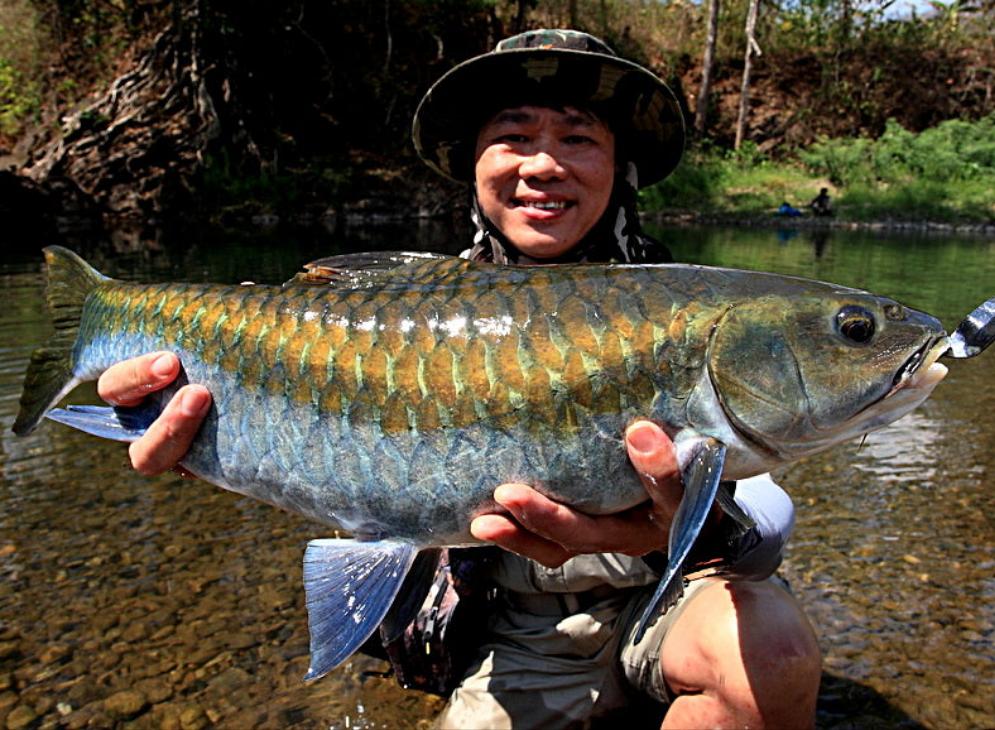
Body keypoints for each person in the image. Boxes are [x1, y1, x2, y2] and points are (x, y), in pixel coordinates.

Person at [98, 30, 821, 729]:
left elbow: (760, 539)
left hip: (676, 601)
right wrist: (191, 433)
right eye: (513, 135)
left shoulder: (692, 308)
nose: (543, 165)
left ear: (618, 165)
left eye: (578, 137)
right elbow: (299, 433)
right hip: (509, 628)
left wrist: (688, 532)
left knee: (773, 649)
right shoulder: (387, 320)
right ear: (472, 163)